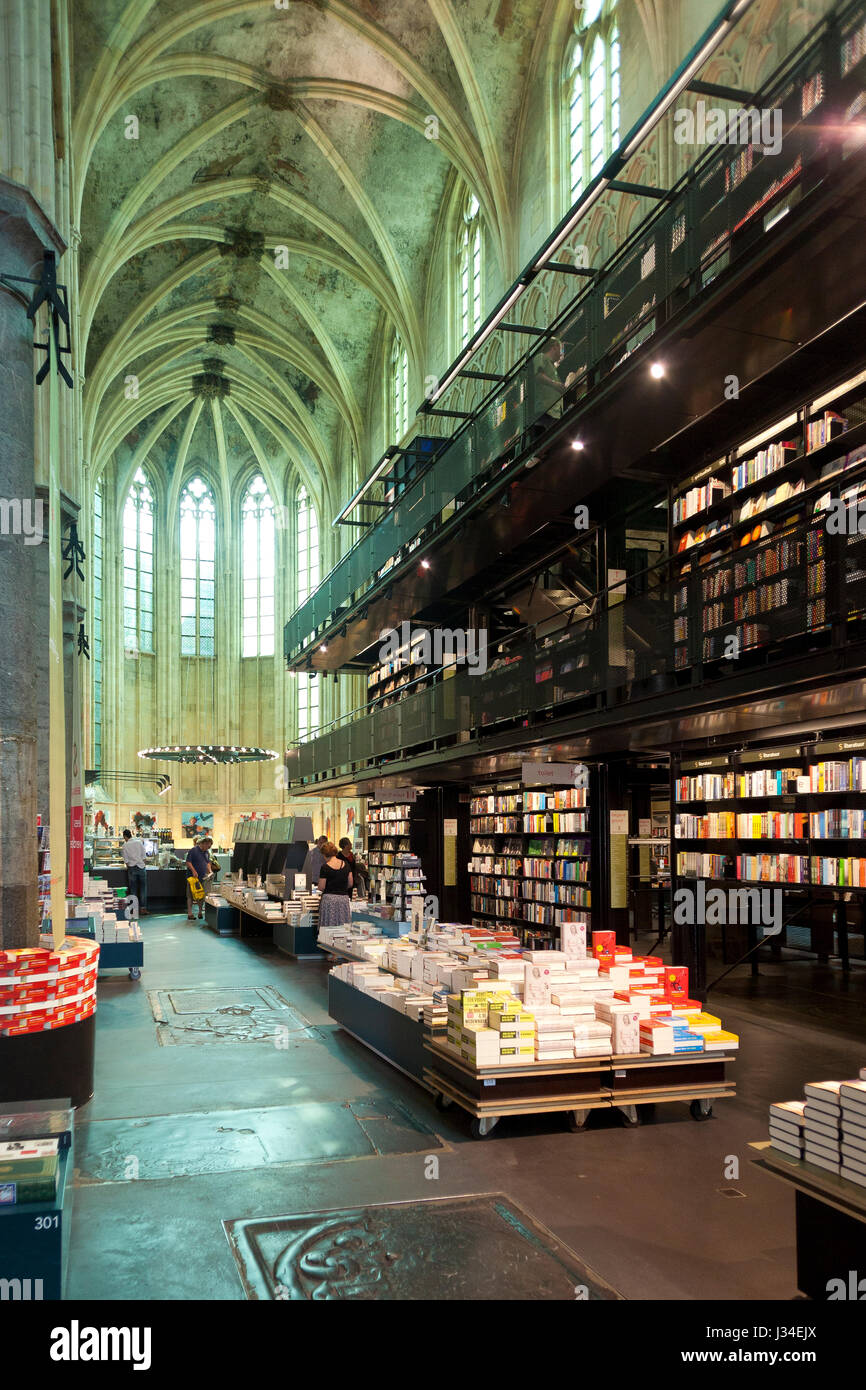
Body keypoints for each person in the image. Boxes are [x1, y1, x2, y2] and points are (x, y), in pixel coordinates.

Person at [318, 842, 353, 928]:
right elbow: (350, 883)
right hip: (343, 900)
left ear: (324, 854)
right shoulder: (346, 864)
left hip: (330, 901)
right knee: (343, 926)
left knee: (329, 927)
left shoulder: (325, 867)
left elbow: (321, 887)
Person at [121, 828, 149, 916]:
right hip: (141, 867)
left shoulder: (125, 845)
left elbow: (126, 860)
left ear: (125, 837)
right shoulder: (139, 842)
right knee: (143, 889)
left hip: (132, 868)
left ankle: (134, 909)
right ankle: (143, 909)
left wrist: (130, 866)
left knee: (133, 889)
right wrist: (142, 863)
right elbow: (144, 856)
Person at [185, 836, 213, 921]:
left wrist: (210, 871)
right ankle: (190, 913)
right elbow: (188, 862)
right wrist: (193, 871)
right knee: (190, 895)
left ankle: (200, 912)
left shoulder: (206, 852)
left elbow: (207, 863)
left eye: (209, 846)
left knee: (201, 895)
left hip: (203, 877)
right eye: (208, 846)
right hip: (193, 878)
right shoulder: (193, 850)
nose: (208, 848)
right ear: (203, 843)